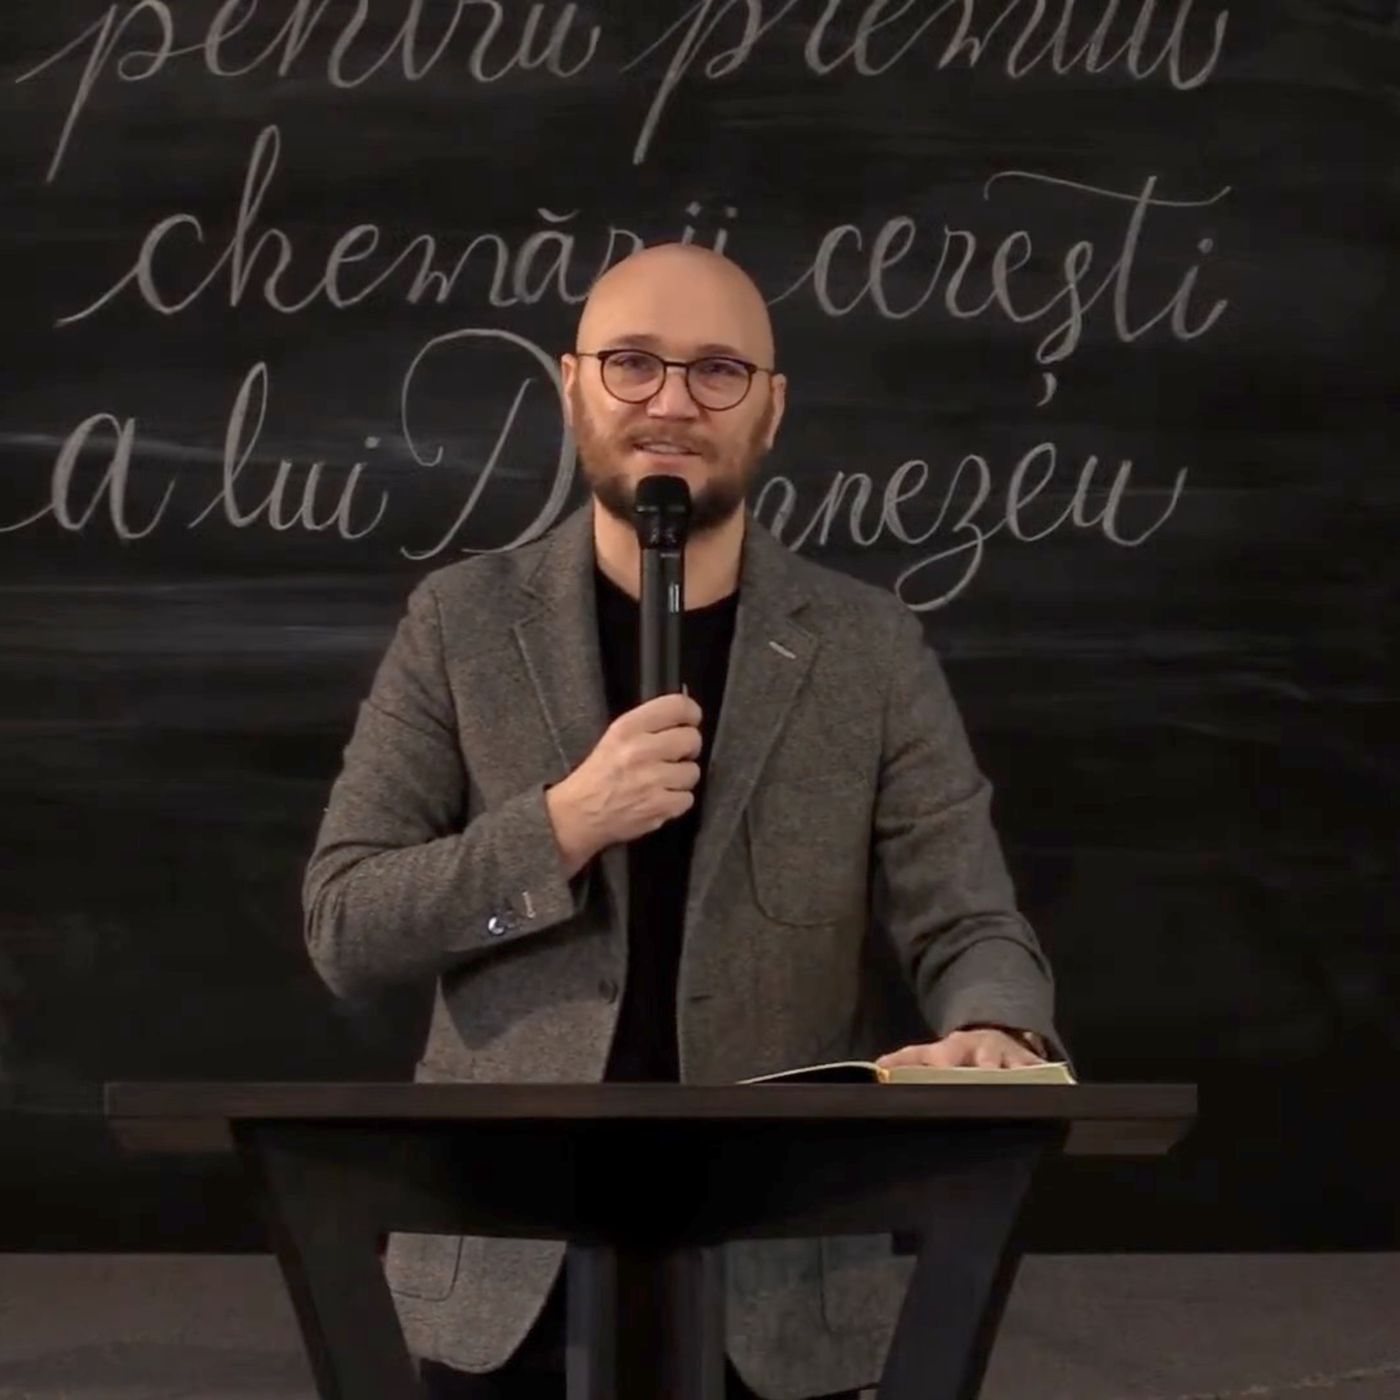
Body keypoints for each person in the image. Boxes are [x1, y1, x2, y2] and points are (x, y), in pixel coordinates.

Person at [301, 242, 1069, 1399]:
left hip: (778, 1283)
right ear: (572, 386)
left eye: (716, 370)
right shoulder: (460, 624)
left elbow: (967, 921)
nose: (669, 402)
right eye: (632, 363)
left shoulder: (865, 647)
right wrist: (562, 823)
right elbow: (346, 922)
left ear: (770, 407)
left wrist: (996, 1029)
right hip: (504, 1278)